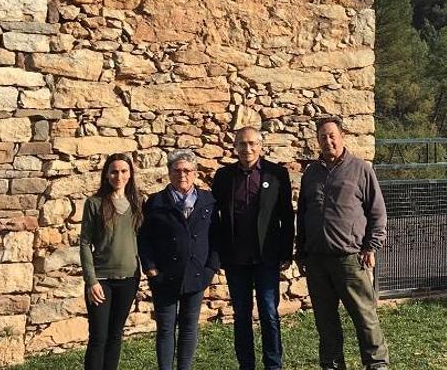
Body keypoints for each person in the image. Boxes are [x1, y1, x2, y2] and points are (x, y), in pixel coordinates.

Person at [296, 116, 390, 370]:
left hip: (351, 259)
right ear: (318, 140)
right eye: (322, 137)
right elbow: (302, 214)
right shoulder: (311, 174)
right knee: (326, 322)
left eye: (331, 135)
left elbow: (377, 212)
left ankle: (377, 365)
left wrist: (371, 246)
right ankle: (332, 366)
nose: (327, 141)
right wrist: (301, 252)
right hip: (317, 260)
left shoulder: (360, 170)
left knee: (365, 318)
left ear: (342, 136)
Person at [212, 127, 294, 370]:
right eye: (242, 144)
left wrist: (286, 252)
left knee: (269, 313)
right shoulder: (224, 176)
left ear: (260, 145)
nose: (247, 149)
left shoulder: (276, 173)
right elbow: (215, 217)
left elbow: (286, 216)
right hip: (236, 259)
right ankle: (246, 365)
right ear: (235, 147)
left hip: (266, 258)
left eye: (251, 144)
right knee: (241, 316)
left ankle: (273, 364)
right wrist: (218, 254)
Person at [138, 150, 220, 370]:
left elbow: (216, 237)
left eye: (187, 170)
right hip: (165, 276)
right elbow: (144, 238)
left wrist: (210, 269)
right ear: (169, 173)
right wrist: (151, 269)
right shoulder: (156, 202)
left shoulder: (208, 200)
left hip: (196, 274)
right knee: (165, 328)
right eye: (177, 170)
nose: (182, 175)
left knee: (189, 327)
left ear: (195, 173)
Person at [80, 153, 144, 370]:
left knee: (116, 335)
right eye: (114, 171)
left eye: (124, 171)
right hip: (101, 279)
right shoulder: (94, 203)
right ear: (107, 175)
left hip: (129, 278)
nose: (119, 175)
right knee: (99, 336)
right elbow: (85, 243)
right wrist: (91, 281)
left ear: (130, 174)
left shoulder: (138, 202)